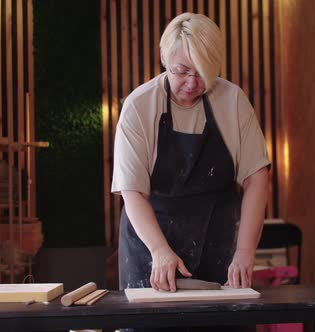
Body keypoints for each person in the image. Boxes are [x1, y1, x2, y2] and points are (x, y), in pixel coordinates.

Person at [112, 12, 270, 295]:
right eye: (182, 71)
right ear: (163, 57)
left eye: (202, 73)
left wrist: (245, 250)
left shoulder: (233, 102)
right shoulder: (139, 107)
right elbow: (132, 192)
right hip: (150, 246)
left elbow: (256, 177)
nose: (192, 83)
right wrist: (160, 251)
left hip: (217, 241)